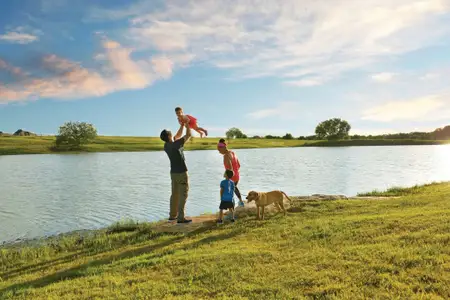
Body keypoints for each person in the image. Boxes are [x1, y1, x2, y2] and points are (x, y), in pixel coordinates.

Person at [160, 122, 192, 224]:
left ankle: (172, 216)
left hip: (173, 173)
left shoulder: (166, 146)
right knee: (183, 194)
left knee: (174, 194)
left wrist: (182, 126)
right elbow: (188, 135)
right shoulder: (176, 144)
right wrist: (187, 126)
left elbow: (176, 136)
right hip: (182, 172)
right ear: (169, 136)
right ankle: (181, 217)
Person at [217, 139, 244, 207]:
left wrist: (226, 177)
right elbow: (239, 165)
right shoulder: (232, 153)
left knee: (228, 193)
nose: (219, 152)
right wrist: (235, 173)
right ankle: (241, 203)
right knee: (234, 189)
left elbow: (230, 169)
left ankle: (231, 212)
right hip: (237, 176)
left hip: (231, 177)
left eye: (219, 150)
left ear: (223, 147)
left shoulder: (226, 156)